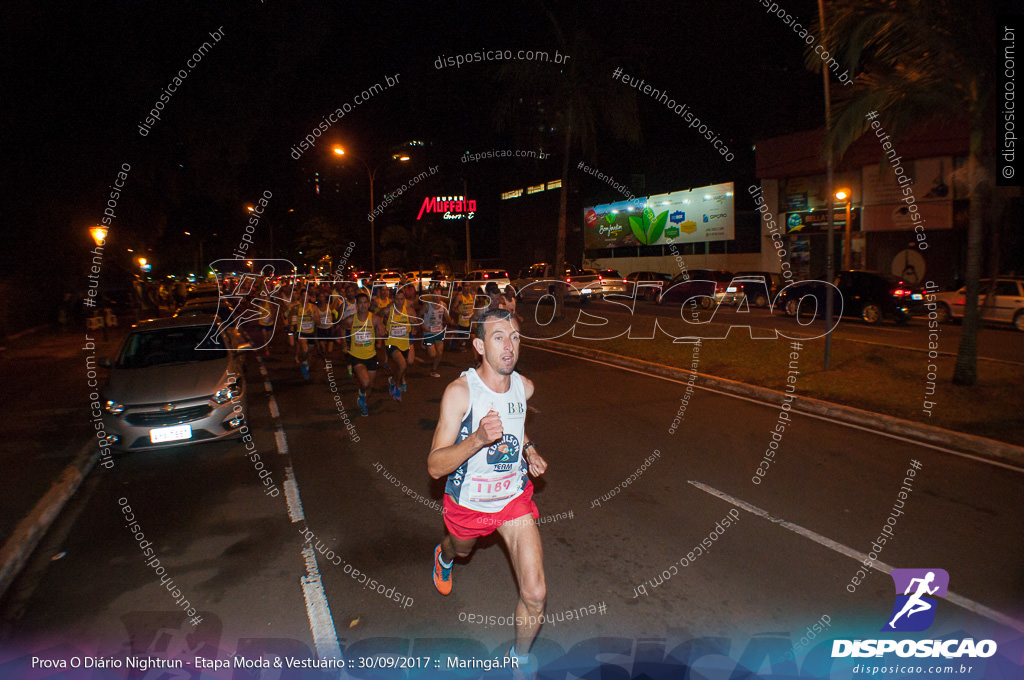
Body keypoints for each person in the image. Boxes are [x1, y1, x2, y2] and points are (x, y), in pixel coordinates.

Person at [427, 308, 547, 676]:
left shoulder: (523, 387)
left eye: (514, 337)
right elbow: (435, 465)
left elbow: (515, 424)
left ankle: (519, 659)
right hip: (468, 504)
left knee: (535, 594)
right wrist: (477, 438)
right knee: (461, 550)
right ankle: (444, 554)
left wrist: (528, 449)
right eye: (498, 338)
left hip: (513, 500)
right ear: (479, 345)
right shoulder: (460, 394)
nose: (509, 346)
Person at [341, 292, 386, 416]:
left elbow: (381, 329)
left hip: (371, 356)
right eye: (360, 303)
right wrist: (344, 344)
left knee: (370, 385)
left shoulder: (374, 318)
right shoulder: (351, 319)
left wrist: (382, 333)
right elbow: (341, 327)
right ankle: (362, 396)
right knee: (365, 382)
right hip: (356, 356)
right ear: (356, 305)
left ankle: (364, 401)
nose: (363, 305)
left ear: (369, 304)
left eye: (365, 302)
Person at [384, 283, 418, 400]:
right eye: (397, 299)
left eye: (402, 299)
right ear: (393, 299)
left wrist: (414, 327)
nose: (399, 302)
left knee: (407, 364)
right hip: (391, 343)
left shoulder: (409, 310)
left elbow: (416, 324)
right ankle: (397, 387)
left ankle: (393, 380)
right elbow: (378, 318)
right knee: (402, 364)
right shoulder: (388, 311)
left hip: (405, 342)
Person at [420, 284, 452, 378]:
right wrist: (423, 327)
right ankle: (425, 342)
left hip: (439, 331)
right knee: (432, 354)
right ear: (432, 295)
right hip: (428, 332)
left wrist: (451, 321)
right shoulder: (427, 305)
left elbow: (447, 317)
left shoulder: (443, 305)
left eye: (439, 295)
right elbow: (418, 316)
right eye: (435, 295)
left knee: (440, 353)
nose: (437, 297)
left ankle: (433, 370)